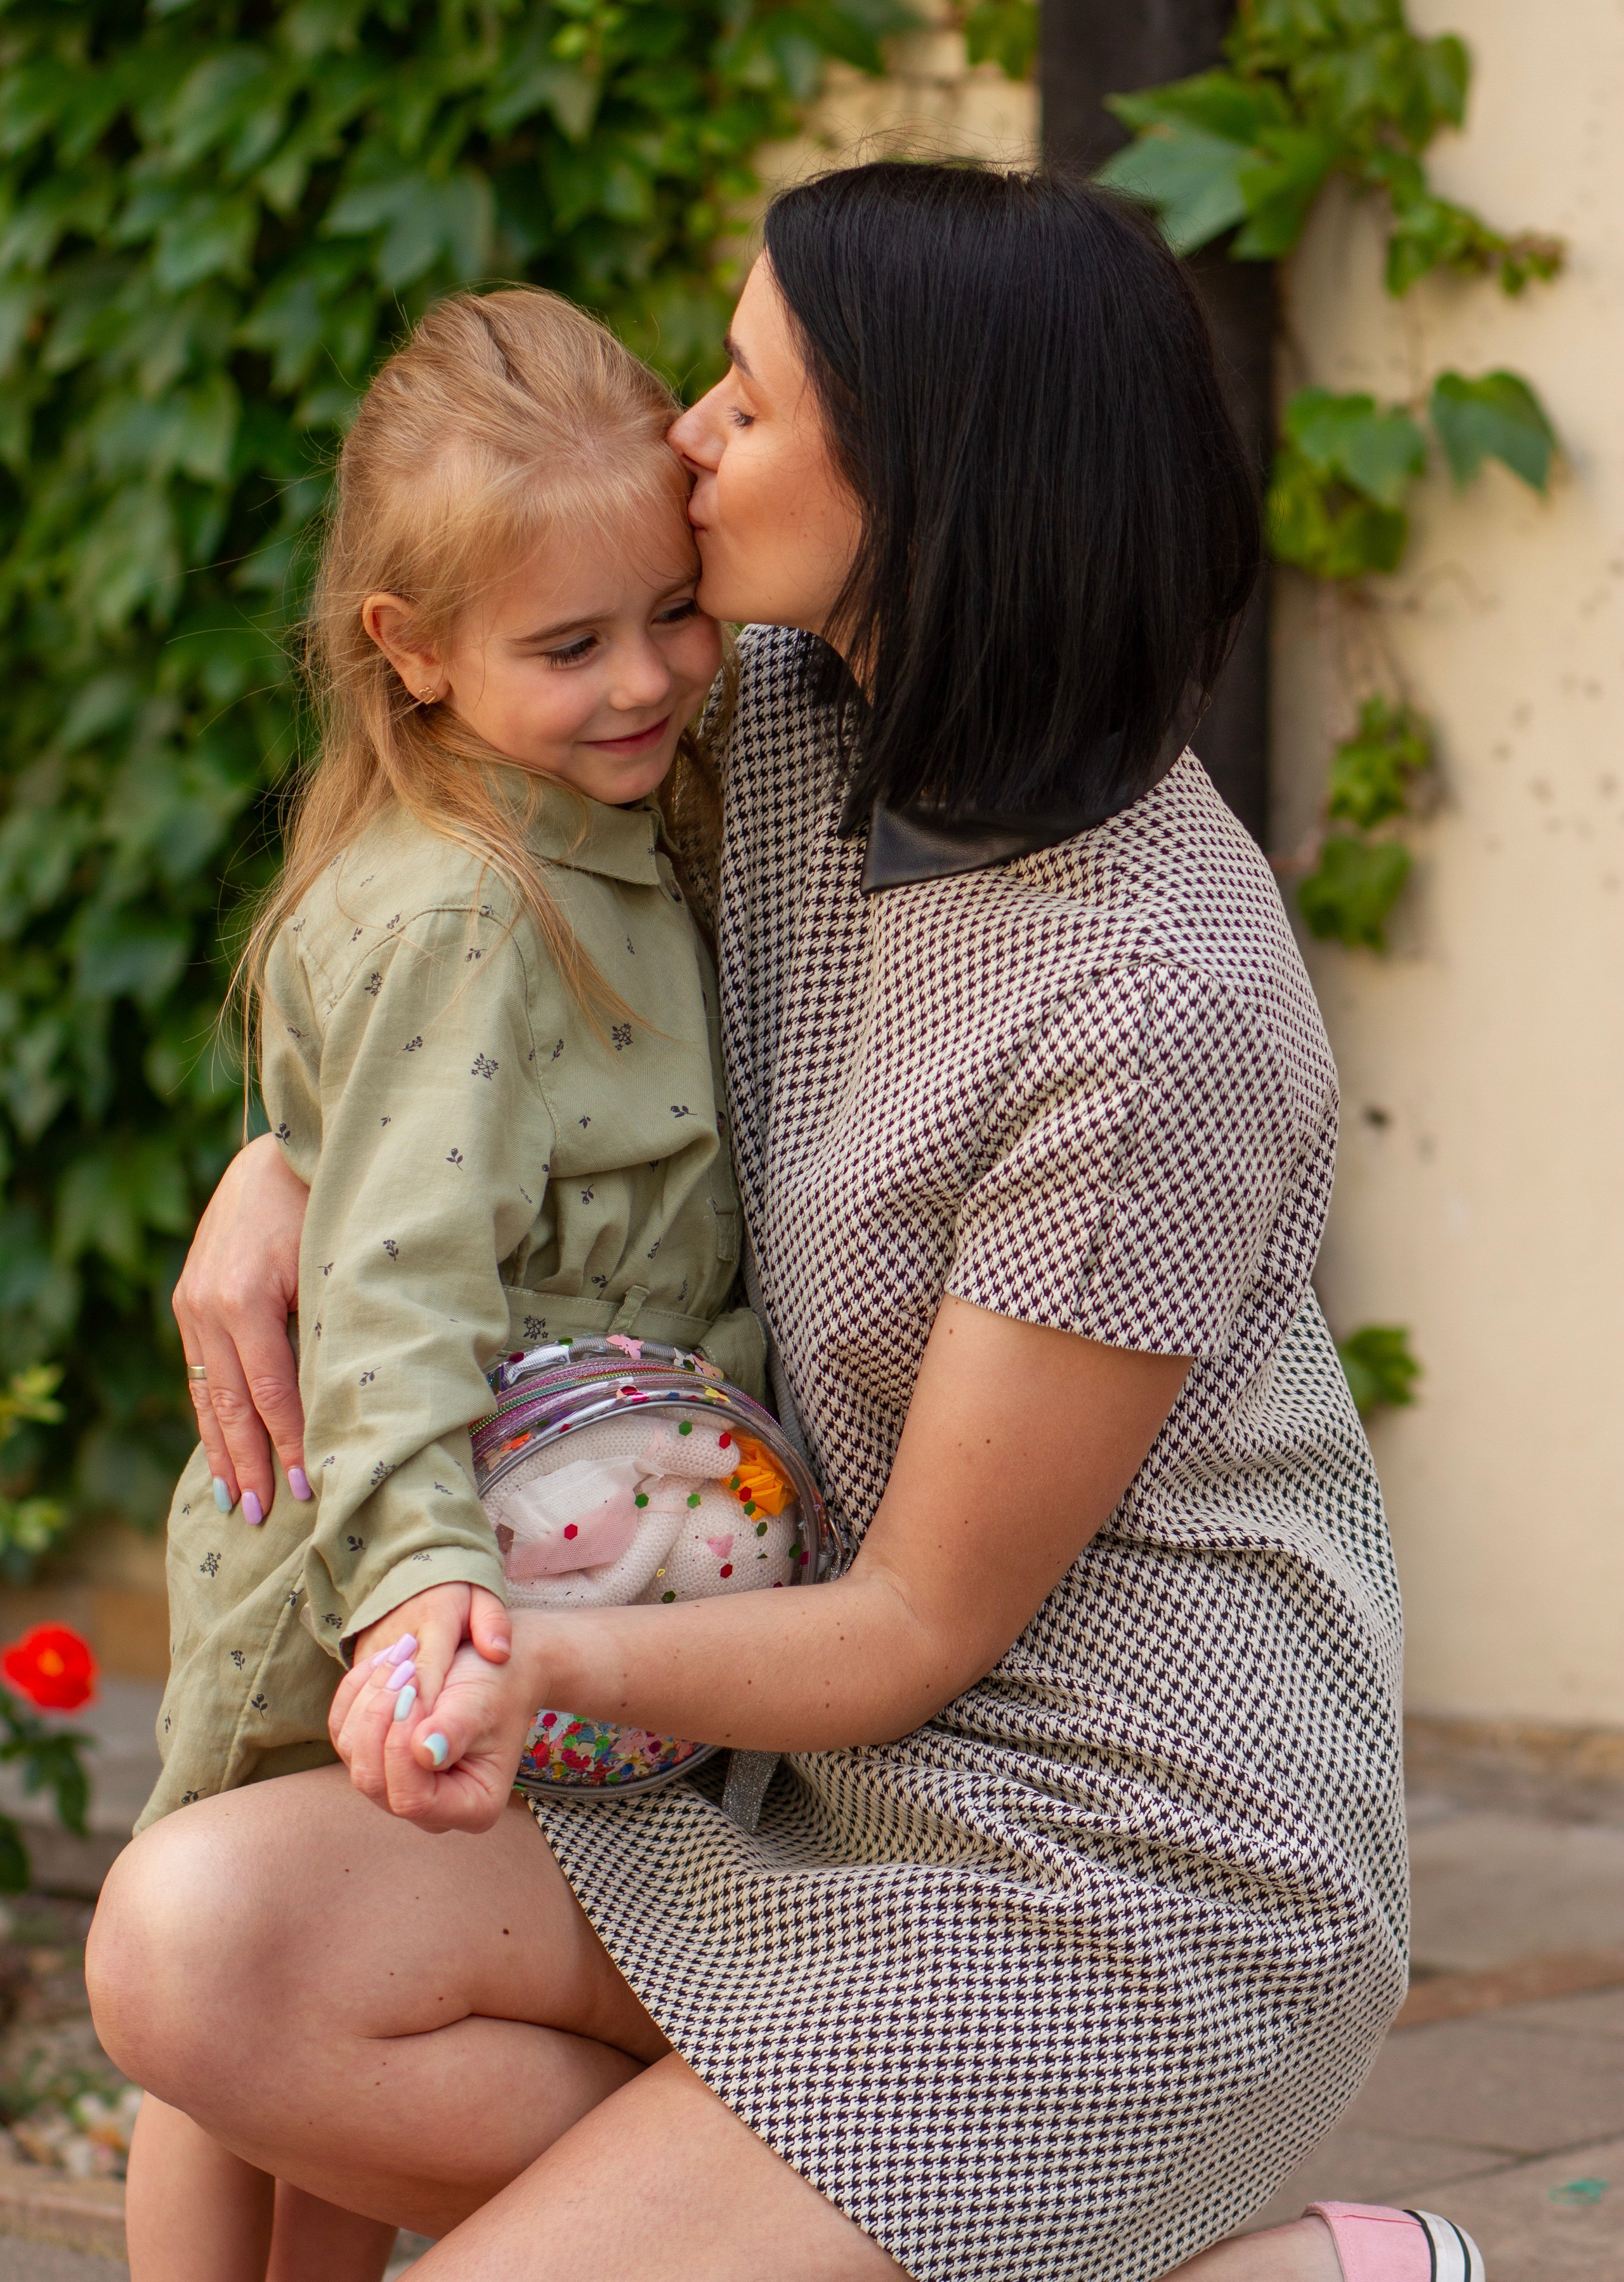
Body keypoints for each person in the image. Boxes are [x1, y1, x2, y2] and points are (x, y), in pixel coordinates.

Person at [89, 166, 1476, 2282]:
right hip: (792, 1804)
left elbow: (921, 1626)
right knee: (196, 1945)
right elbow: (473, 924)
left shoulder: (1156, 1009)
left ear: (924, 482)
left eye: (742, 398)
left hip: (1112, 1879)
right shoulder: (778, 703)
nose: (686, 441)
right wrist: (287, 1164)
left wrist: (523, 1653)